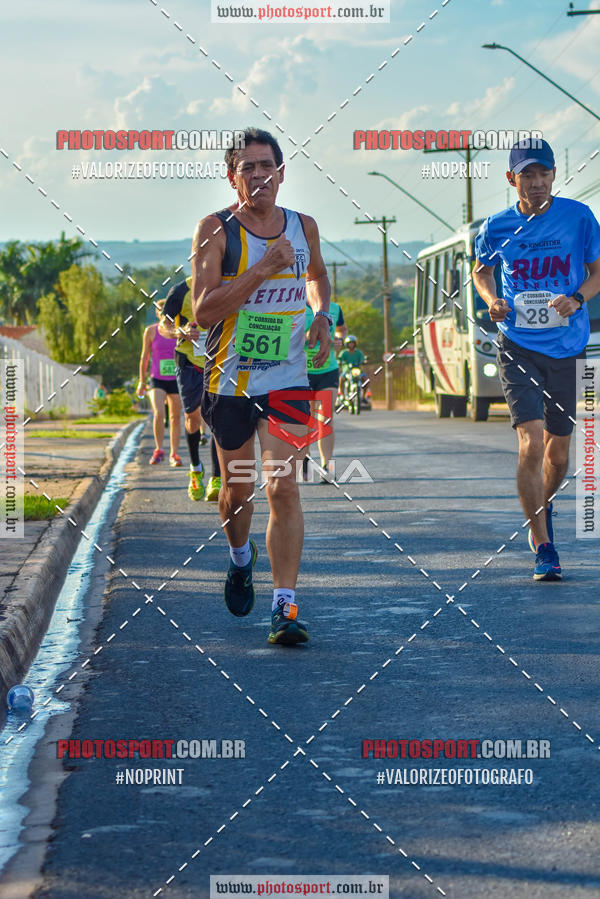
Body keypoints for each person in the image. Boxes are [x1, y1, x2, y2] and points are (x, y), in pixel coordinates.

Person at [191, 126, 332, 646]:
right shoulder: (215, 230)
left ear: (281, 173)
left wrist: (324, 315)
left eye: (265, 166)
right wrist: (261, 270)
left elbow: (316, 276)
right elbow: (204, 309)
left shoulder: (303, 226)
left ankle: (285, 607)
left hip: (289, 378)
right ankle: (238, 558)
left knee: (284, 485)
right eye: (246, 167)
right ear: (232, 177)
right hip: (230, 381)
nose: (257, 175)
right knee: (238, 492)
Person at [473, 137, 600, 581]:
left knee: (559, 455)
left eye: (544, 172)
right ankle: (544, 543)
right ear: (513, 180)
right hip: (518, 344)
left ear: (553, 175)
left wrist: (577, 299)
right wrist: (492, 300)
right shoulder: (496, 226)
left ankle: (542, 509)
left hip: (567, 347)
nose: (538, 182)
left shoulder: (579, 217)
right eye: (528, 174)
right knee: (530, 440)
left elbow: (597, 271)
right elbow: (482, 270)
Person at [159, 277, 221, 502]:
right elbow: (163, 325)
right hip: (188, 362)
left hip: (218, 361)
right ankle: (196, 469)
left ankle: (217, 477)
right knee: (192, 418)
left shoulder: (224, 283)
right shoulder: (181, 290)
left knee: (216, 418)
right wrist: (181, 332)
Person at [304, 299, 347, 481]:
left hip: (328, 370)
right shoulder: (296, 306)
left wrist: (339, 340)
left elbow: (342, 329)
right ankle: (305, 458)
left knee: (326, 418)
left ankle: (326, 465)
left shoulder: (335, 308)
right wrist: (308, 336)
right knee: (306, 419)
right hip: (302, 371)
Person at [137, 300, 182, 466]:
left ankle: (174, 454)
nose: (164, 312)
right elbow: (144, 357)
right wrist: (142, 382)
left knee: (175, 417)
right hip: (157, 378)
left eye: (166, 309)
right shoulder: (150, 331)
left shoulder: (178, 331)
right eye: (160, 310)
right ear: (157, 313)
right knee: (158, 413)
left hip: (176, 379)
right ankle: (158, 450)